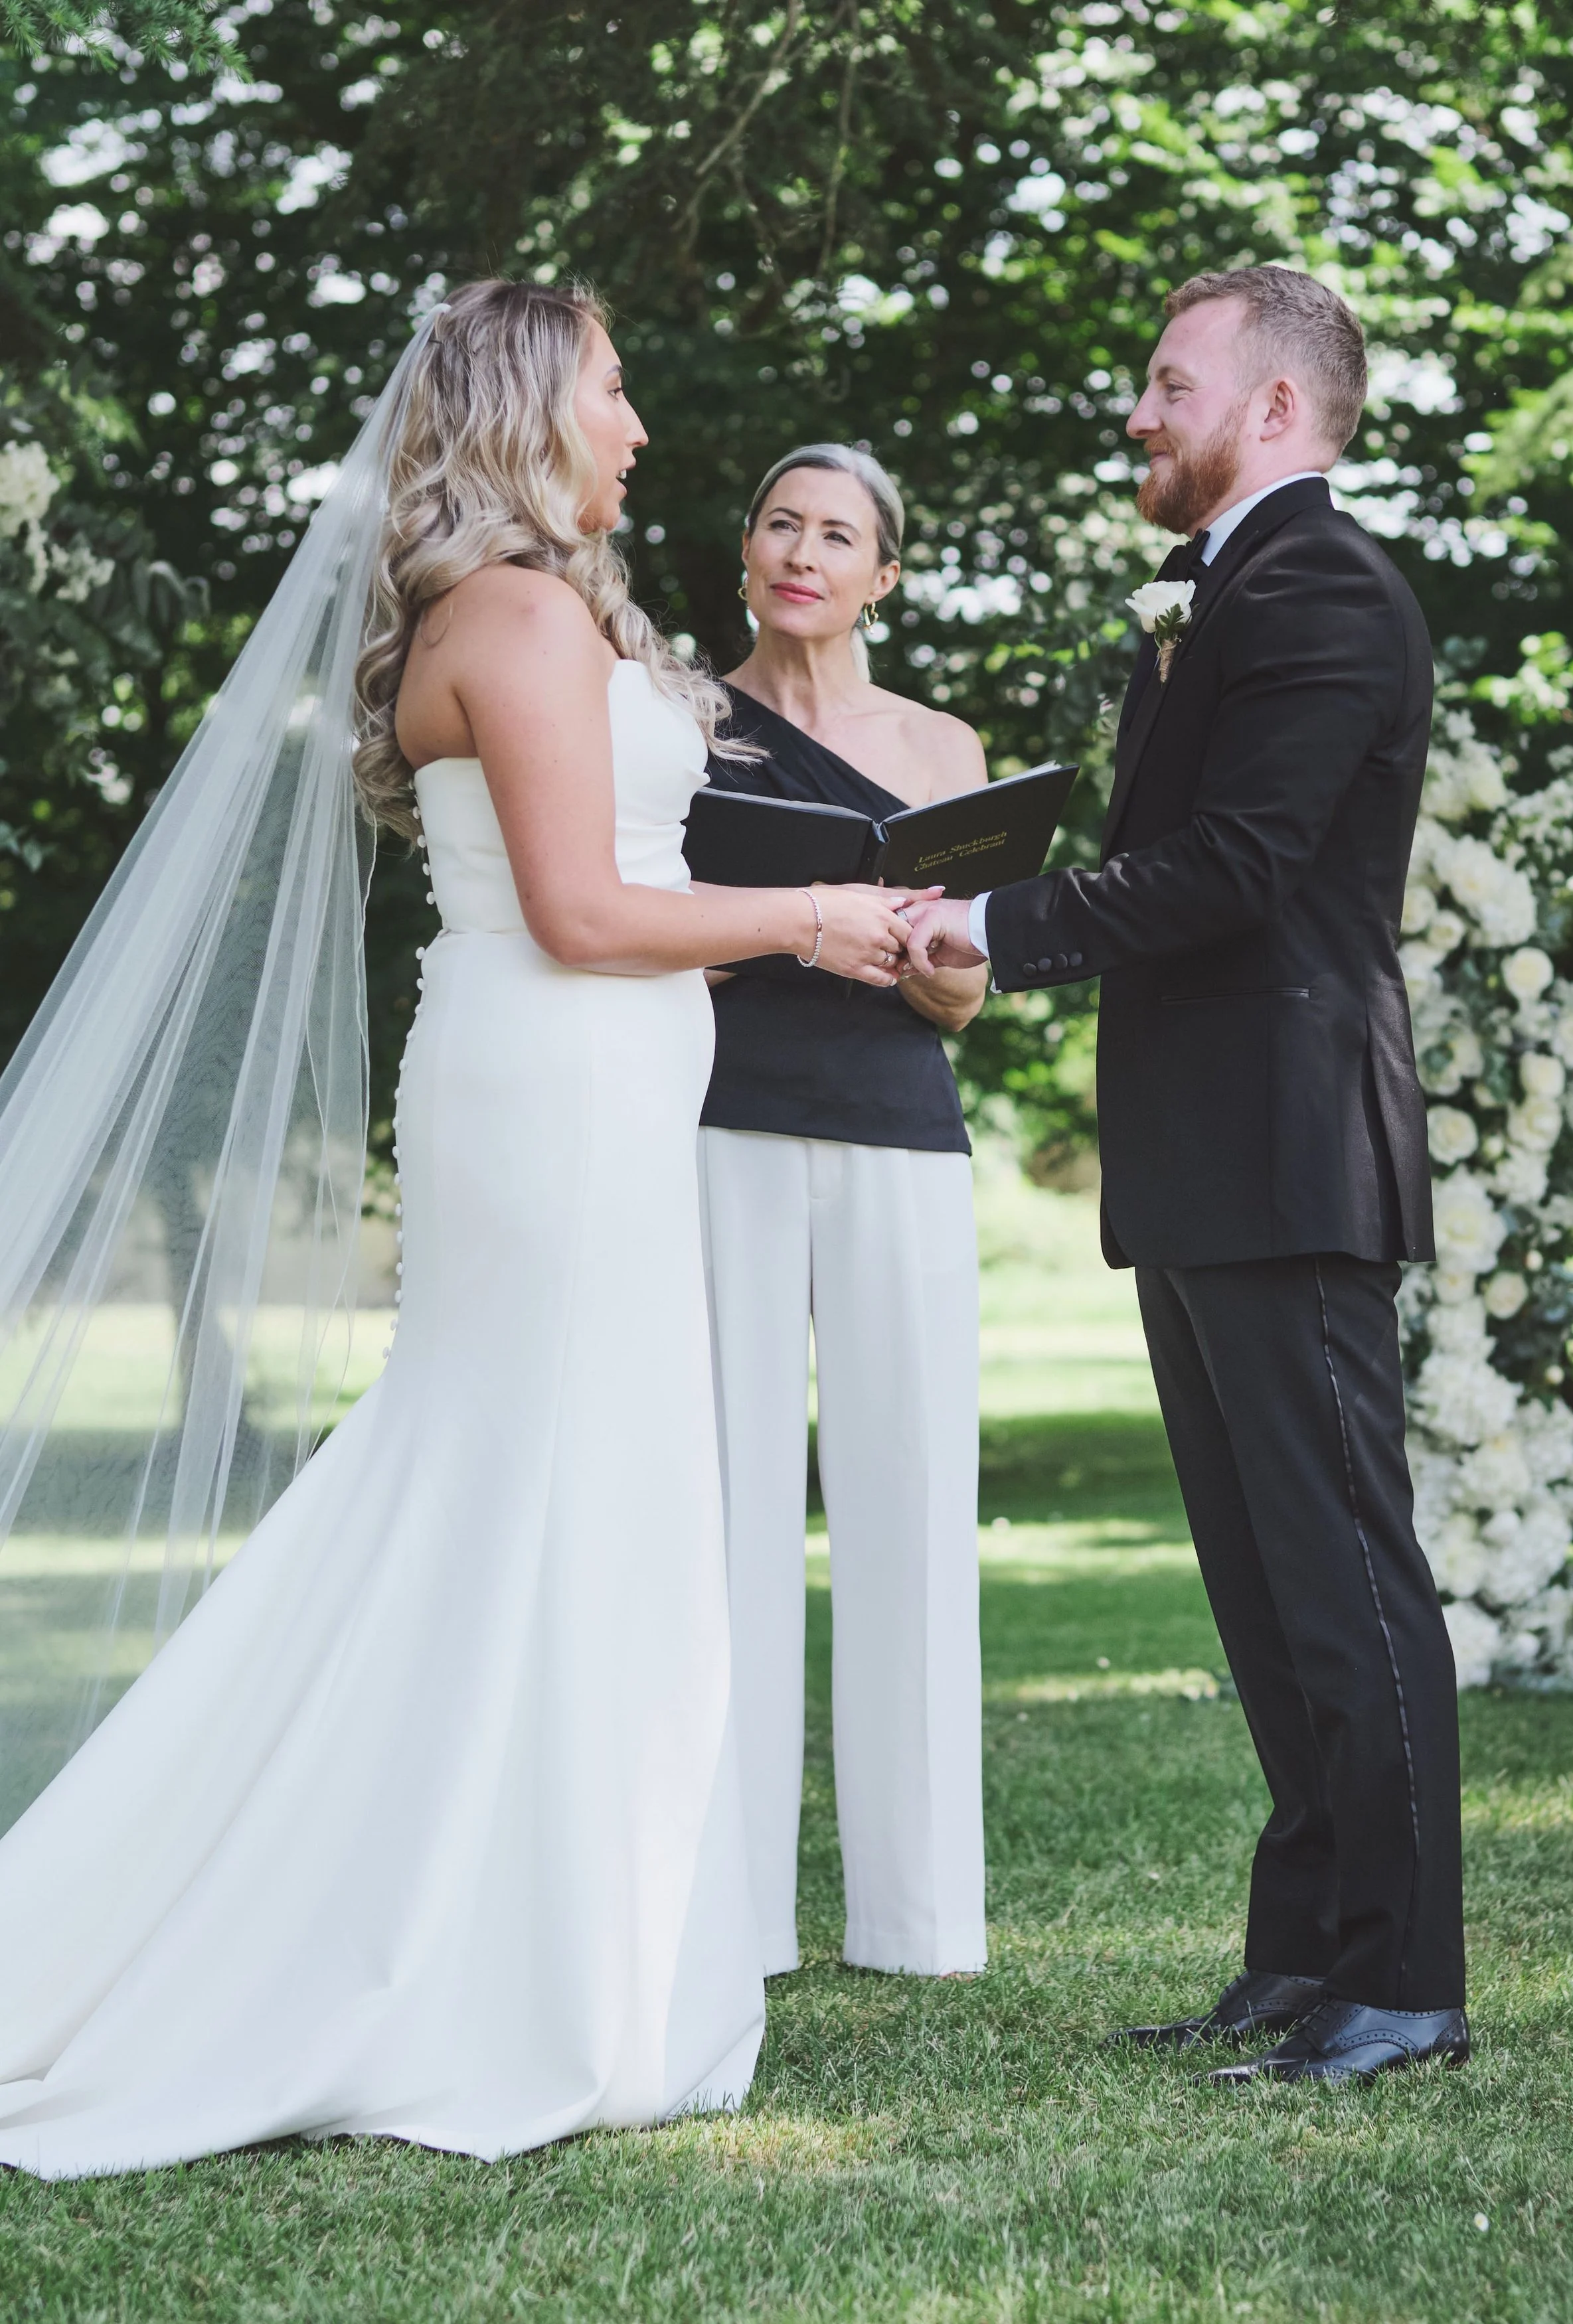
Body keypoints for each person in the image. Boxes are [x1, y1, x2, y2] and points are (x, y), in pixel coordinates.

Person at [0, 281, 924, 2179]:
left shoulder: (545, 602)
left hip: (596, 1093)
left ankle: (544, 1937)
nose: (640, 425)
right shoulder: (502, 612)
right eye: (612, 384)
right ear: (527, 406)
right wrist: (814, 911)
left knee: (554, 1501)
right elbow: (584, 911)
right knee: (521, 1490)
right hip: (549, 1095)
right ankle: (466, 1967)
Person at [902, 267, 1469, 2086]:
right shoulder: (1214, 596)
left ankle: (1405, 1978)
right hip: (1207, 1158)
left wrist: (981, 918)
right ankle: (1303, 1955)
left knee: (1344, 1577)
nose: (1138, 411)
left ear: (1278, 408)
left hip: (1291, 1151)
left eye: (1168, 381)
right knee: (1258, 1584)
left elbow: (1233, 869)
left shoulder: (1320, 589)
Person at [698, 445, 989, 1981]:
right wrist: (791, 931)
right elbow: (631, 933)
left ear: (884, 573)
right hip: (721, 1122)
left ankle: (922, 1920)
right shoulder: (673, 720)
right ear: (744, 550)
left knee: (914, 1496)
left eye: (840, 535)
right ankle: (736, 1914)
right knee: (734, 1502)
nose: (803, 552)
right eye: (779, 524)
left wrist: (941, 964)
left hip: (897, 1130)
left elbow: (961, 999)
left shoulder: (944, 747)